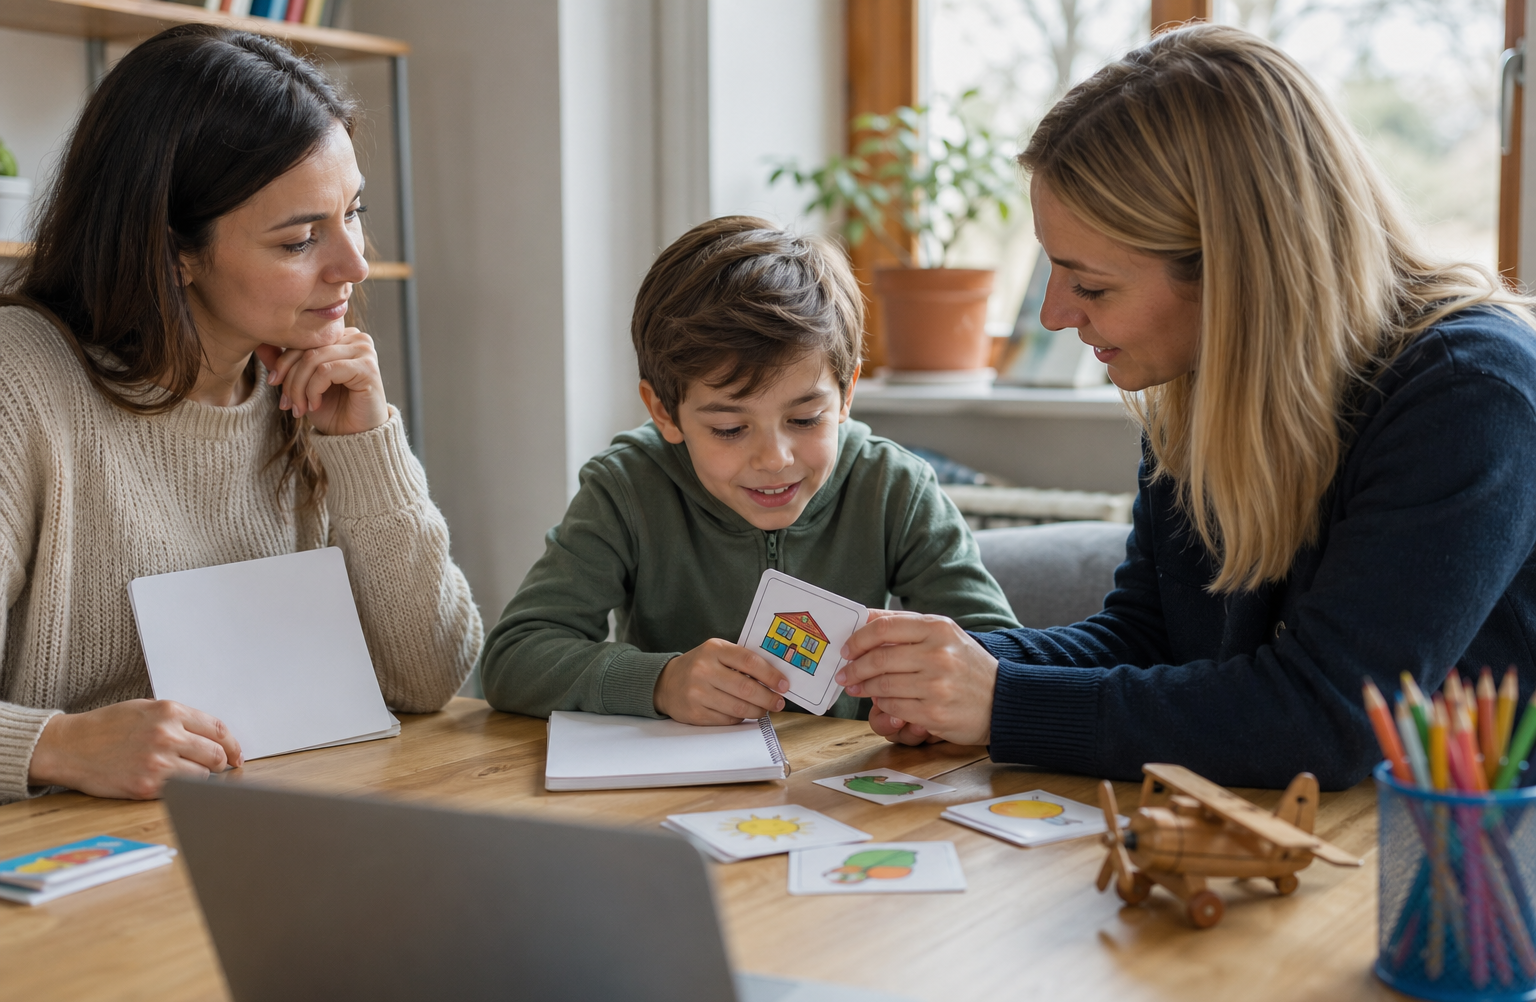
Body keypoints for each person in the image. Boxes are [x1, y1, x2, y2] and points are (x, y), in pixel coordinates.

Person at [833, 24, 1536, 790]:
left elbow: (1328, 717)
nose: (1052, 316)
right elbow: (1150, 636)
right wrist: (949, 670)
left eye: (1091, 284)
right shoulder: (1201, 383)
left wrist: (1002, 701)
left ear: (1234, 274)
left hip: (1466, 867)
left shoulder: (1472, 394)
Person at [0, 25, 482, 803]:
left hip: (270, 828)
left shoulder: (312, 387)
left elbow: (426, 677)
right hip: (66, 864)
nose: (354, 265)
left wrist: (366, 448)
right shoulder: (19, 379)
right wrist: (57, 744)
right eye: (300, 240)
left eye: (352, 212)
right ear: (174, 253)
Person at [479, 216, 1018, 724]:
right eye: (730, 429)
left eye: (805, 419)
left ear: (847, 393)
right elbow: (514, 657)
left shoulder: (893, 487)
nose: (774, 459)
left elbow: (999, 655)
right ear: (665, 411)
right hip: (674, 796)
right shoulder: (626, 489)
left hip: (846, 795)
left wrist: (935, 701)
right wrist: (660, 681)